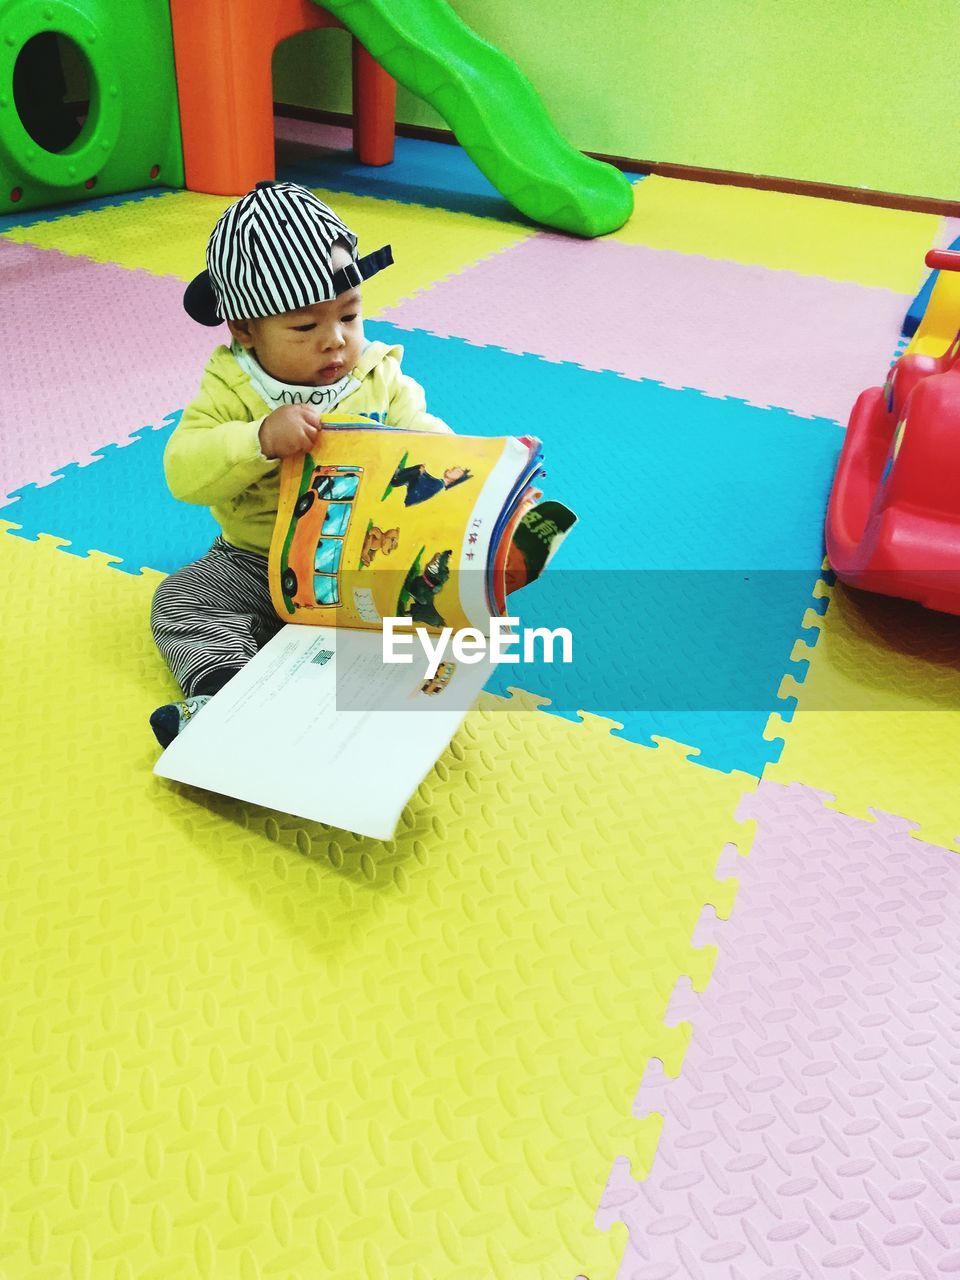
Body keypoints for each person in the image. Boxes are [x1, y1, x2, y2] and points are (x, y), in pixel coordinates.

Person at [149, 181, 450, 747]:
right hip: (254, 562)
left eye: (350, 315)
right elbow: (182, 471)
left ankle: (373, 701)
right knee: (181, 598)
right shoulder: (232, 386)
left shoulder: (376, 376)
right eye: (305, 327)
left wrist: (474, 476)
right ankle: (228, 697)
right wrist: (258, 438)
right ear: (244, 330)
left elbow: (427, 440)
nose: (335, 342)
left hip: (363, 557)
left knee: (426, 595)